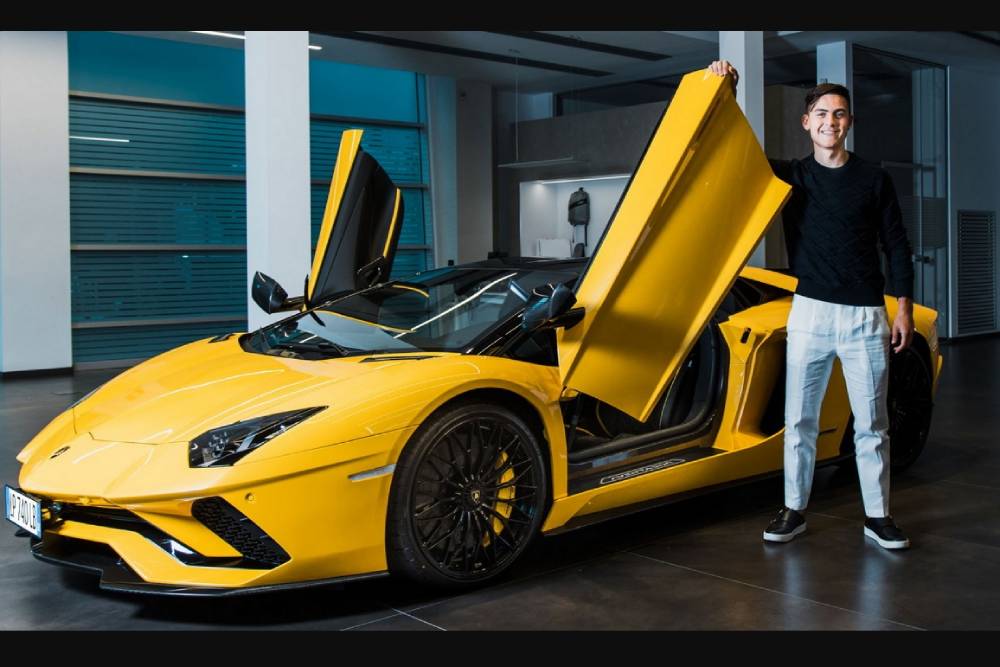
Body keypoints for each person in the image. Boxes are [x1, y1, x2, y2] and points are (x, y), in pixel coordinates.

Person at [707, 60, 915, 550]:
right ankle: (793, 510)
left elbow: (897, 244)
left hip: (865, 315)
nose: (830, 121)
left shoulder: (874, 179)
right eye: (821, 113)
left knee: (872, 425)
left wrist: (903, 308)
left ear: (849, 122)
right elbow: (732, 150)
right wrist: (724, 89)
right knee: (799, 420)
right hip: (809, 313)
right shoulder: (790, 176)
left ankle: (878, 517)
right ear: (807, 122)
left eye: (839, 114)